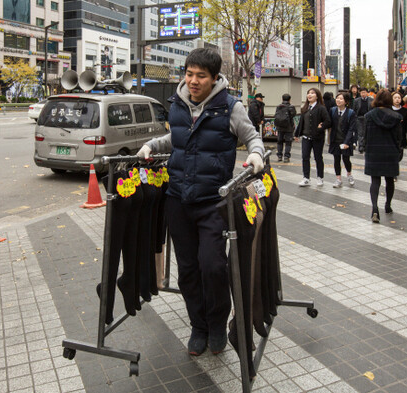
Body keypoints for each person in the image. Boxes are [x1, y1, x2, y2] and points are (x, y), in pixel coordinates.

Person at [136, 48, 265, 356]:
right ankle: (199, 326)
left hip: (214, 202)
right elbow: (176, 139)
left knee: (213, 266)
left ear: (215, 78)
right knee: (189, 269)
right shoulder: (177, 104)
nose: (193, 81)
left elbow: (252, 136)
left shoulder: (229, 107)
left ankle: (217, 323)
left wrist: (257, 154)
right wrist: (152, 144)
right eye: (189, 74)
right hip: (178, 201)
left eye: (201, 76)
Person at [360, 89, 403, 223]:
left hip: (374, 151)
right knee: (389, 180)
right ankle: (388, 205)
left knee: (375, 181)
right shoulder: (396, 117)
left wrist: (364, 147)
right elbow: (399, 138)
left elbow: (365, 135)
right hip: (390, 151)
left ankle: (374, 209)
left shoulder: (369, 116)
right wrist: (399, 151)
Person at [294, 87, 331, 186]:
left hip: (317, 138)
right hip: (306, 137)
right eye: (308, 93)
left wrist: (321, 127)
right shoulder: (305, 108)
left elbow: (328, 121)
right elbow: (301, 122)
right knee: (305, 157)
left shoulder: (321, 108)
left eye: (312, 93)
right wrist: (296, 134)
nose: (309, 95)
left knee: (318, 157)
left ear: (317, 96)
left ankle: (320, 177)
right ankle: (306, 178)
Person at [328, 92, 357, 188]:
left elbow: (351, 129)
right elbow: (328, 123)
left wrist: (346, 142)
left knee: (346, 159)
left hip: (346, 141)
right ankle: (338, 179)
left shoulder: (350, 113)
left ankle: (349, 174)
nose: (338, 100)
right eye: (337, 98)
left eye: (341, 99)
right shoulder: (332, 110)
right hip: (335, 140)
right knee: (336, 159)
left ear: (346, 101)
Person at [274, 93, 296, 163]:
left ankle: (279, 156)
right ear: (290, 99)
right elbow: (293, 115)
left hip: (280, 127)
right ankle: (286, 156)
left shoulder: (278, 106)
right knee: (288, 142)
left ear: (282, 99)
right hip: (288, 127)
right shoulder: (291, 107)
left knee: (279, 141)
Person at [392, 91, 407, 157]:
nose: (397, 99)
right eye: (395, 98)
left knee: (400, 155)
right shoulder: (389, 110)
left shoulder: (405, 111)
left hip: (401, 135)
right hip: (391, 136)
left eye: (399, 98)